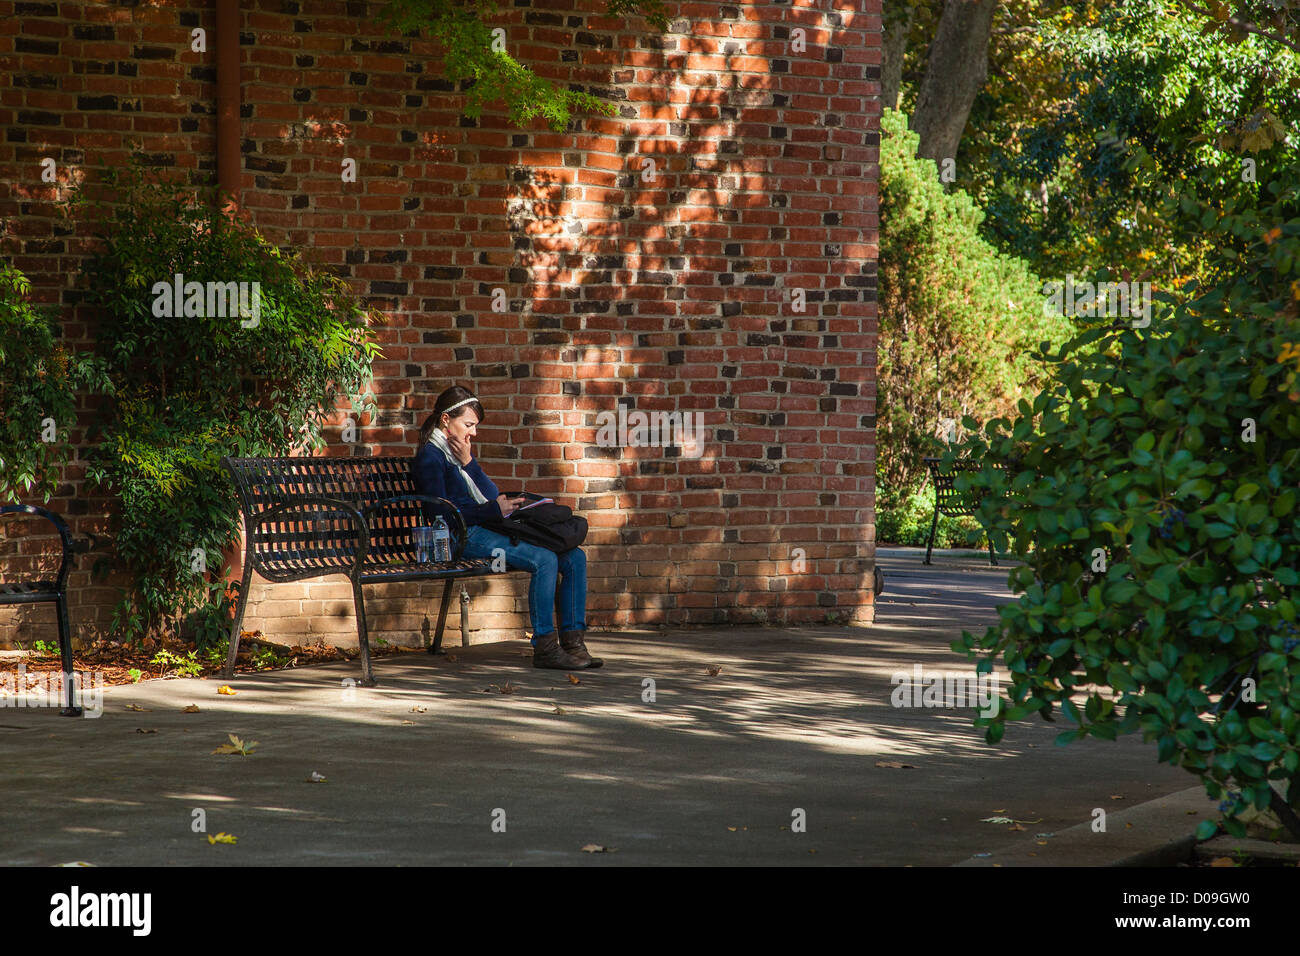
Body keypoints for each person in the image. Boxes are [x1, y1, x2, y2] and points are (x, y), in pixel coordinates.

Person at [411, 385, 600, 670]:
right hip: (462, 537)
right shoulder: (431, 457)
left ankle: (573, 643)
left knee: (574, 557)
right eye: (468, 424)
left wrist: (469, 463)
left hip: (487, 526)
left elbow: (491, 493)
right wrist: (491, 510)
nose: (472, 432)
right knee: (545, 559)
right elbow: (440, 514)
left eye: (474, 426)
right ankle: (546, 647)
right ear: (446, 420)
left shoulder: (456, 453)